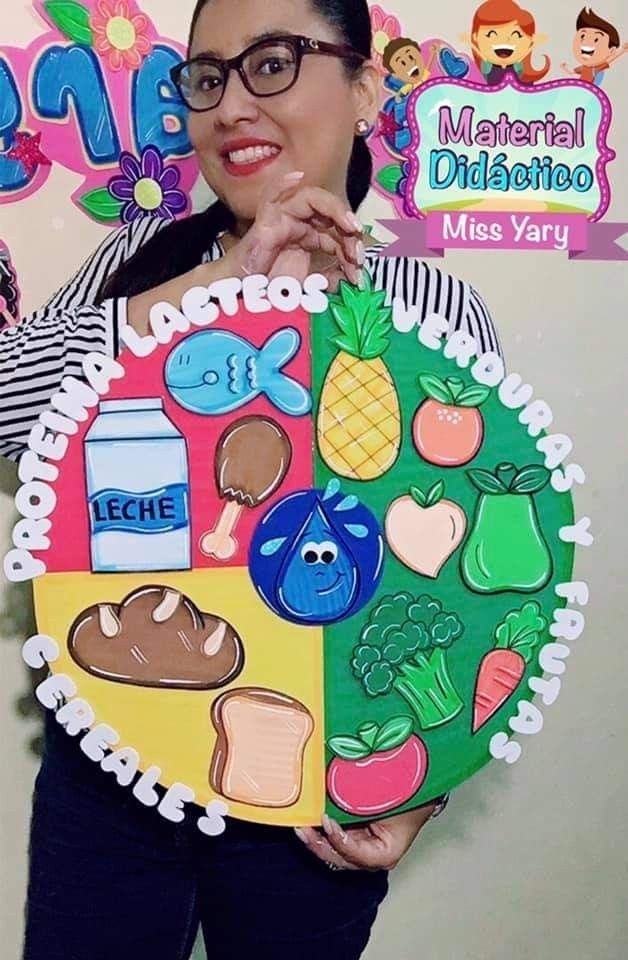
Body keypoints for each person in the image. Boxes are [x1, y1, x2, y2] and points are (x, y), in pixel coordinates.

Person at [0, 1, 500, 957]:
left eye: (273, 62)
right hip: (114, 767)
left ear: (362, 88)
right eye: (208, 76)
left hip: (317, 783)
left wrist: (418, 794)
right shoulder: (135, 266)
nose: (231, 105)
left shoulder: (427, 305)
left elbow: (467, 576)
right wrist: (203, 293)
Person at [466, 0, 550, 85]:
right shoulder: (486, 66)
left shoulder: (519, 66)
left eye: (516, 35)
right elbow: (480, 54)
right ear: (475, 37)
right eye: (491, 34)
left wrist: (534, 43)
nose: (506, 40)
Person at [561, 7, 628, 86]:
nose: (586, 43)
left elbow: (609, 60)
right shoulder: (584, 67)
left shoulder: (595, 69)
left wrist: (622, 50)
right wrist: (564, 67)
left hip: (589, 91)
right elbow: (571, 72)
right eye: (582, 36)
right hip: (580, 89)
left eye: (596, 39)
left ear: (612, 50)